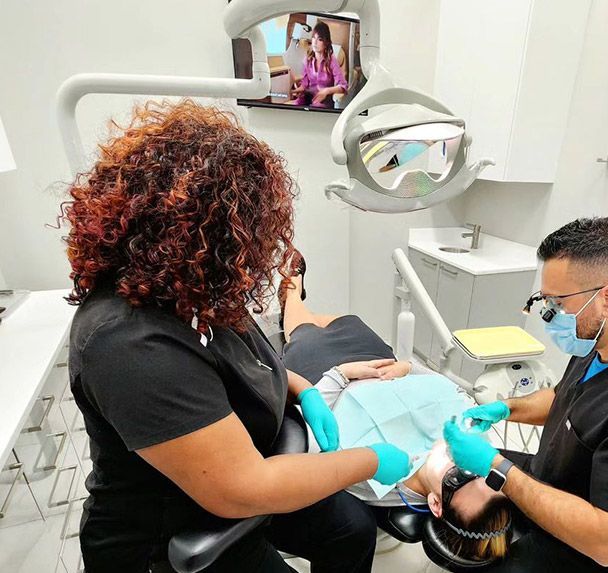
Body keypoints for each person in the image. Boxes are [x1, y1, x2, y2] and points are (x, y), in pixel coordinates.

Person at [63, 100, 411, 573]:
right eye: (257, 234)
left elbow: (245, 362)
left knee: (350, 529)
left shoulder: (192, 287)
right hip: (178, 530)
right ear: (206, 234)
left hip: (250, 463)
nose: (264, 251)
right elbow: (242, 488)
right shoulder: (129, 344)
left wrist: (302, 388)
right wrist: (370, 459)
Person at [442, 217, 608, 573]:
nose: (548, 314)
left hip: (589, 552)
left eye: (557, 303)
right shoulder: (599, 345)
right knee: (453, 472)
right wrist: (504, 409)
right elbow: (565, 398)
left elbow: (606, 543)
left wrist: (498, 469)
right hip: (558, 486)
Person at [277, 263, 515, 563]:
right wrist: (409, 366)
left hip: (327, 373)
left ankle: (292, 292)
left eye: (458, 479)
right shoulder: (473, 436)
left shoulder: (376, 480)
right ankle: (297, 299)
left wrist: (340, 374)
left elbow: (313, 433)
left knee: (304, 330)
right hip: (382, 362)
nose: (464, 464)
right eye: (481, 472)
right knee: (346, 321)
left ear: (435, 504)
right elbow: (448, 389)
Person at [288, 22, 348, 109]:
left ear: (326, 42)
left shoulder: (331, 61)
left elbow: (343, 86)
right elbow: (304, 85)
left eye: (319, 39)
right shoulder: (307, 60)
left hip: (323, 105)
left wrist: (326, 91)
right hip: (307, 101)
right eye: (313, 38)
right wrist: (295, 91)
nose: (315, 42)